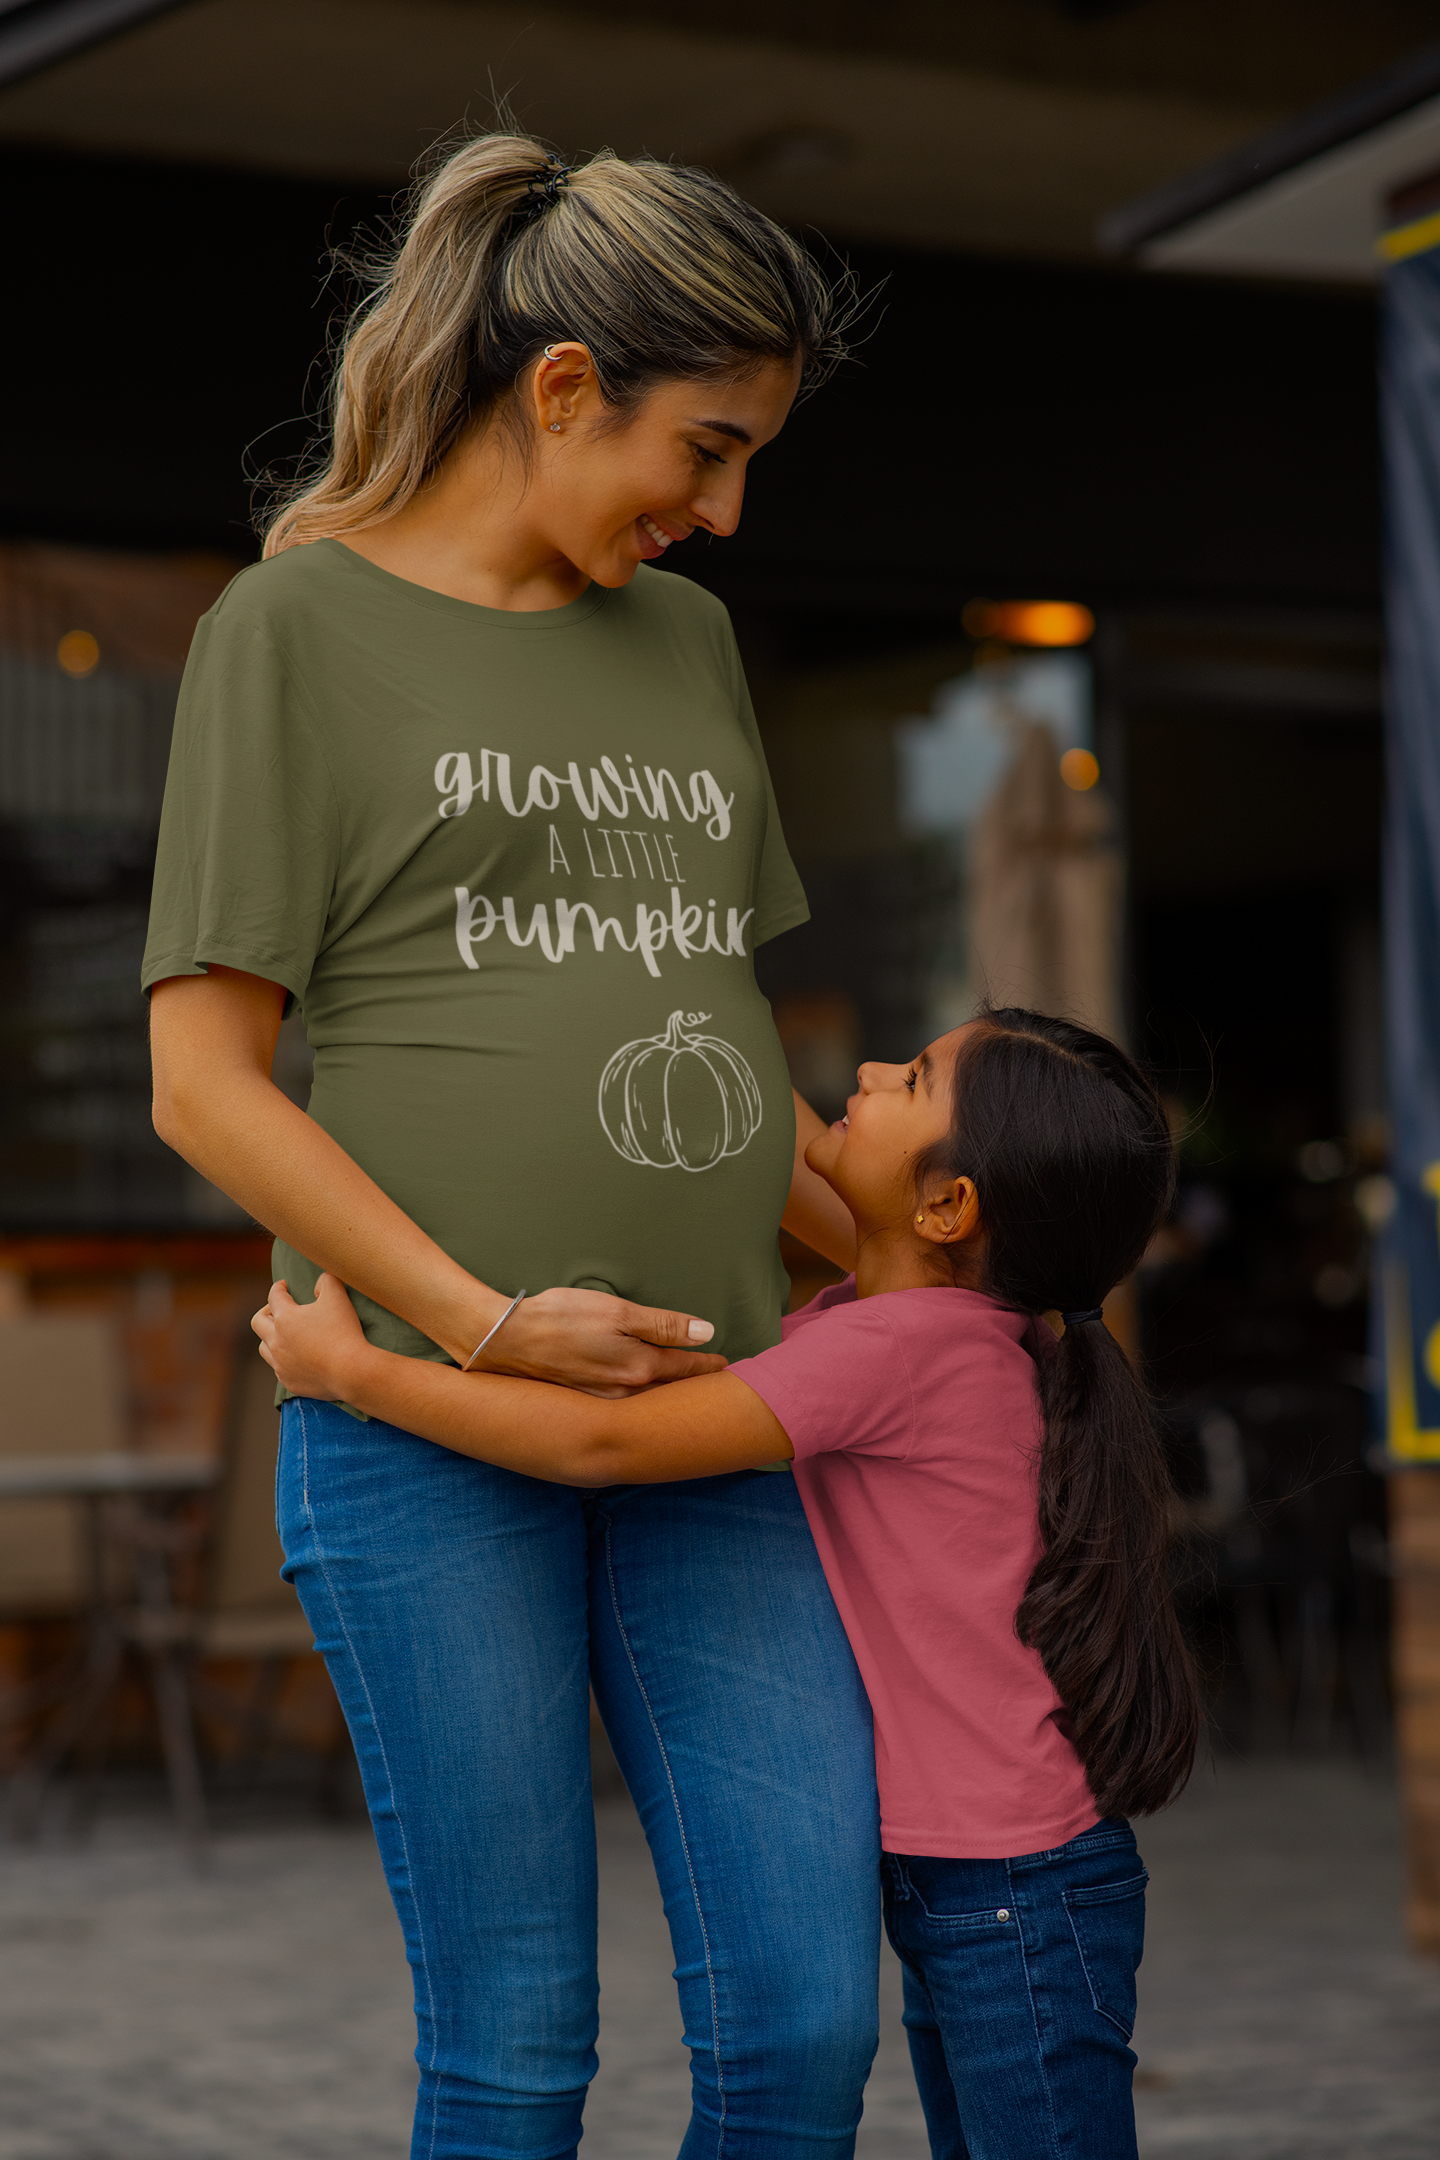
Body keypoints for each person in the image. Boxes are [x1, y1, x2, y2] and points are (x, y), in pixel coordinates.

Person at [144, 132, 883, 2159]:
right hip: (419, 1434)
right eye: (705, 449)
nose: (722, 514)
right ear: (563, 392)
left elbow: (716, 1031)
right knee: (513, 2049)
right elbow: (203, 1085)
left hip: (718, 1416)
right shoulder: (287, 637)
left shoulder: (692, 653)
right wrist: (484, 1324)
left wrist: (930, 1267)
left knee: (812, 2019)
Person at [254, 1005, 1203, 2160]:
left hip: (1010, 1894)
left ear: (947, 1206)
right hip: (999, 1878)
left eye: (909, 1078)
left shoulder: (895, 1353)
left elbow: (601, 1450)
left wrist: (356, 1372)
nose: (862, 1071)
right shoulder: (920, 1331)